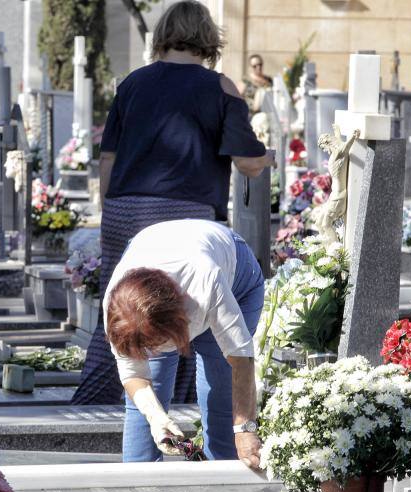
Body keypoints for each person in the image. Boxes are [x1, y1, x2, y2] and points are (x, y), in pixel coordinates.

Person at [72, 0, 274, 406]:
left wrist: (112, 211)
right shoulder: (220, 88)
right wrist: (268, 157)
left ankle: (100, 403)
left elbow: (108, 158)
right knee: (181, 311)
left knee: (123, 309)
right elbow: (248, 162)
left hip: (124, 211)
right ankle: (175, 407)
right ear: (208, 38)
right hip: (186, 211)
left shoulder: (132, 83)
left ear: (163, 35)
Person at [105, 219, 264, 464]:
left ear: (177, 321)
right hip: (156, 260)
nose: (154, 351)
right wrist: (156, 417)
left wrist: (246, 428)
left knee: (220, 392)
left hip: (235, 275)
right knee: (146, 404)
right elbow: (133, 373)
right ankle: (139, 482)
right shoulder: (120, 310)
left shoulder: (205, 279)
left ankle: (223, 481)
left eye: (159, 343)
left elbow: (240, 358)